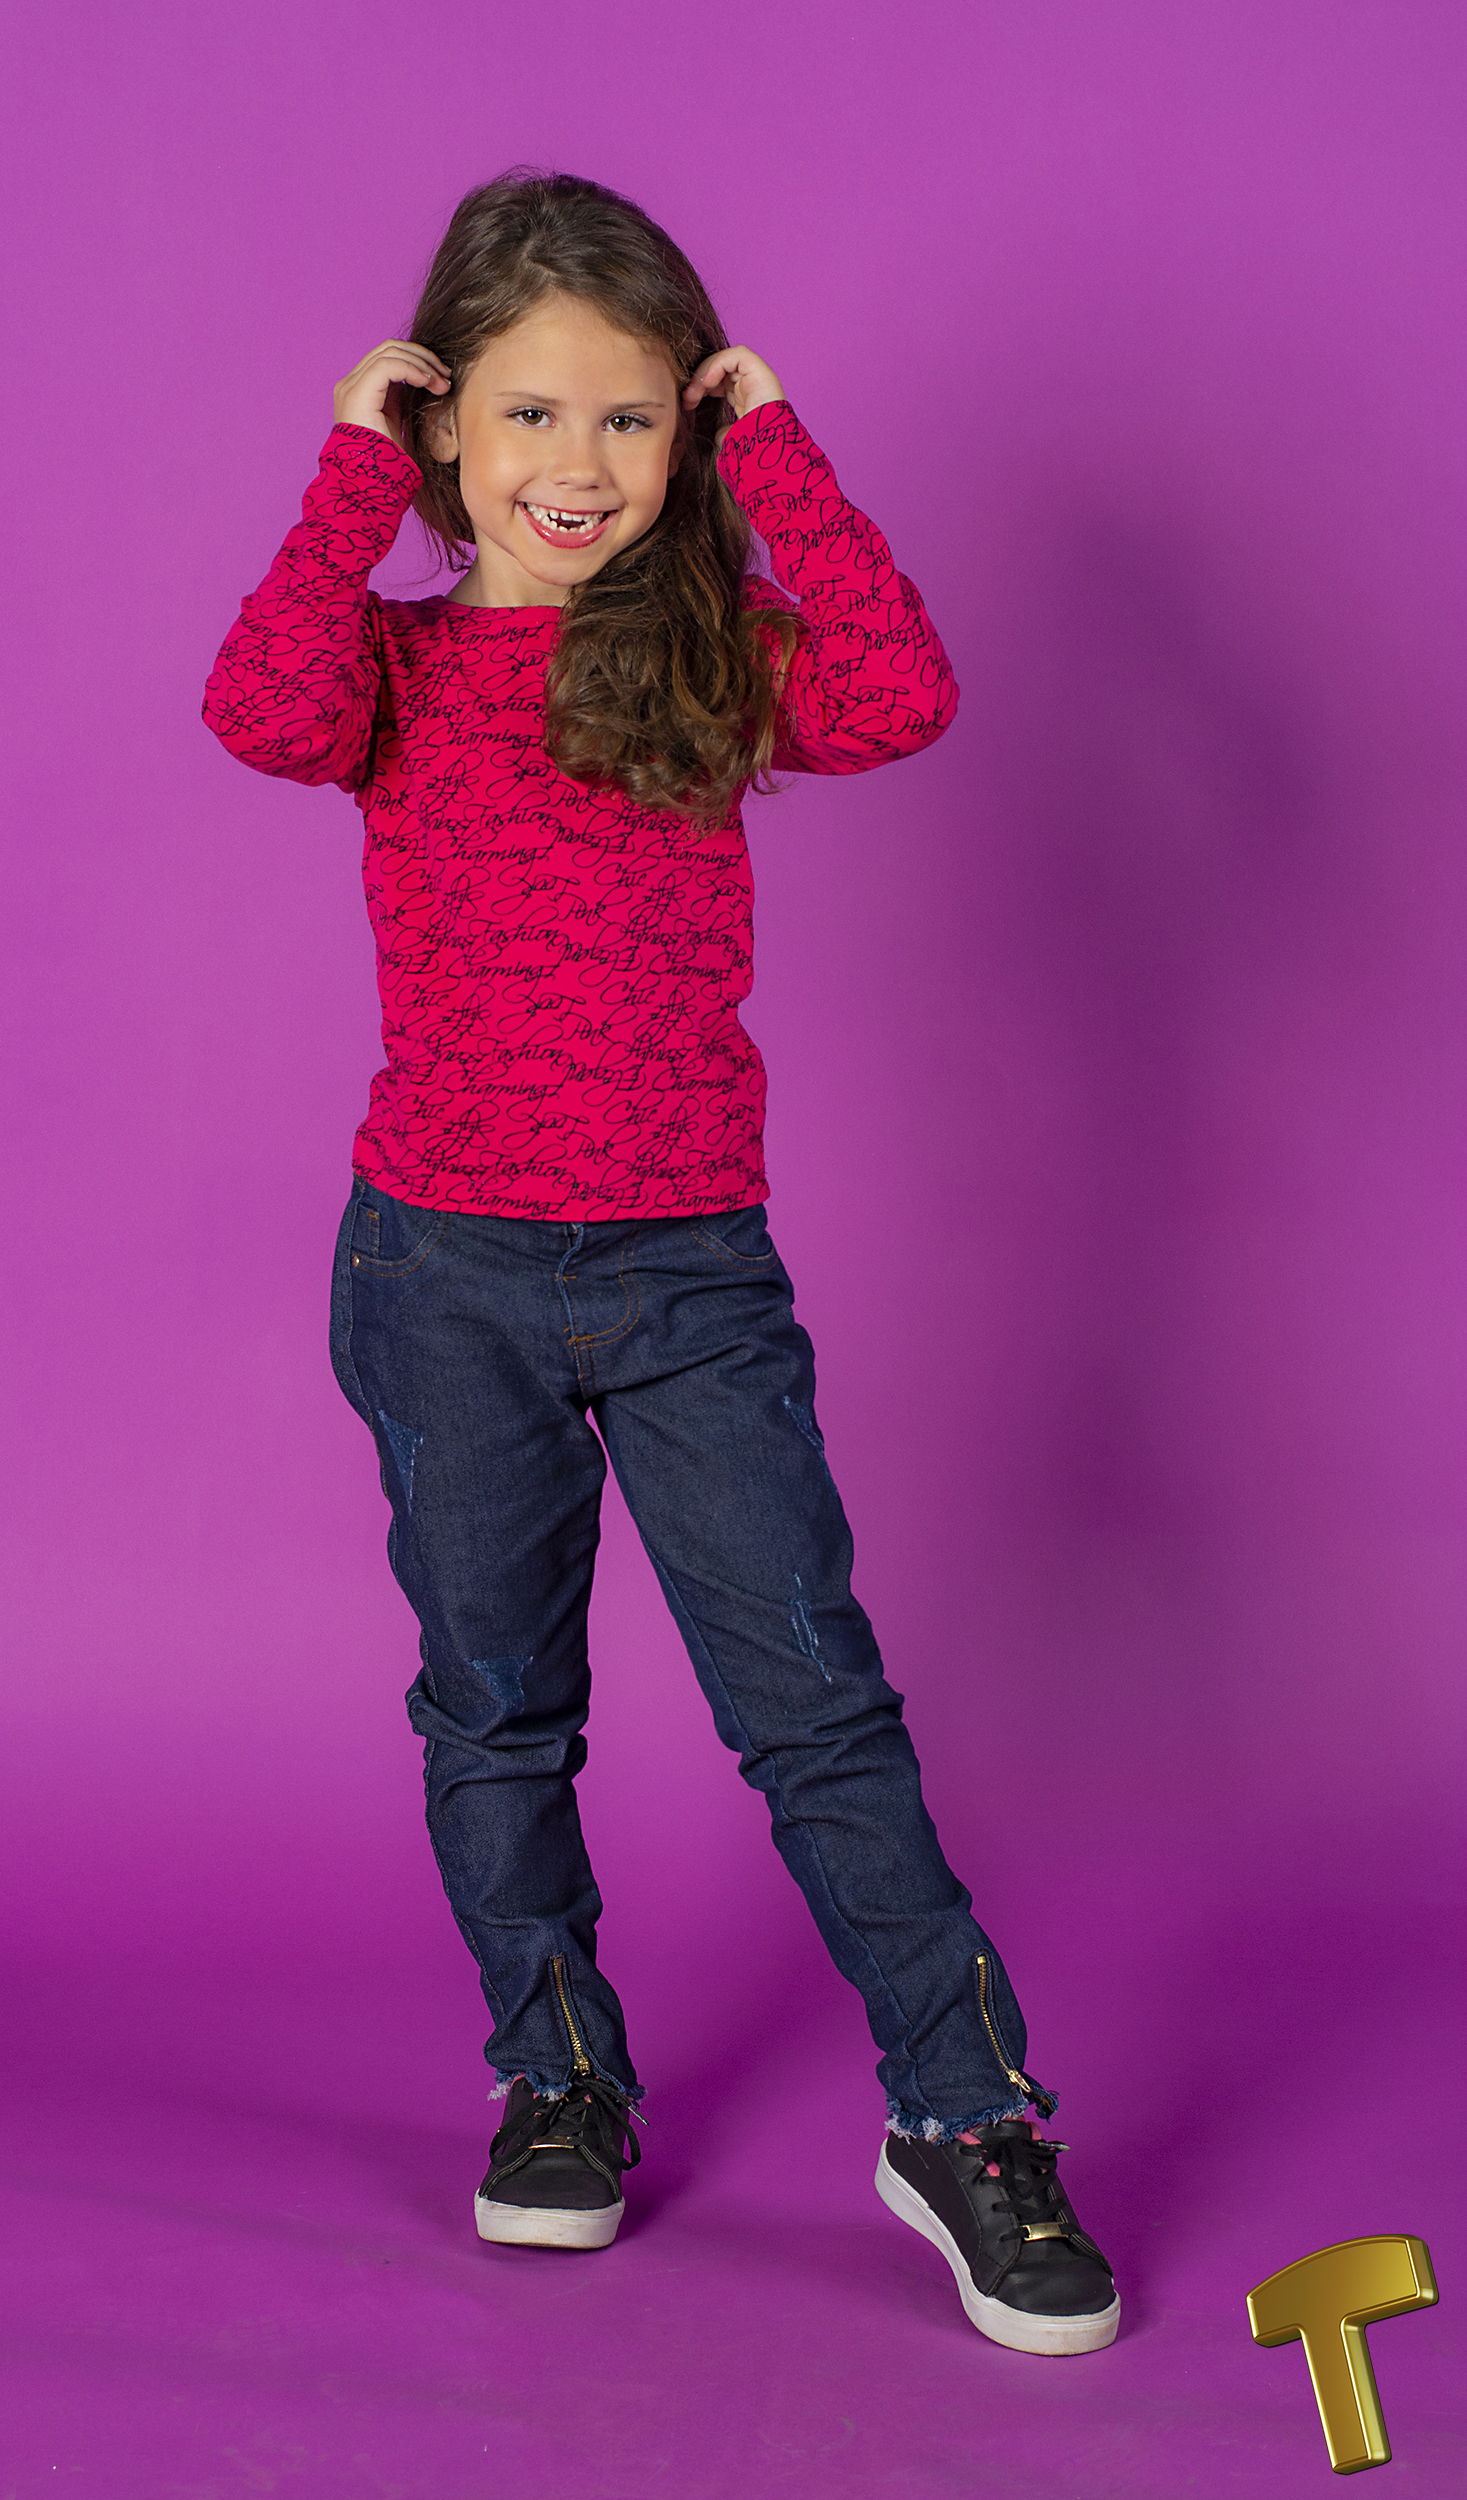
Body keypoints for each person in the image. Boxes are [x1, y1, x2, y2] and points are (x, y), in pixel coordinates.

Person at [203, 169, 1118, 2356]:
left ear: (683, 433)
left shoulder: (706, 659)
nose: (577, 464)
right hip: (441, 1275)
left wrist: (776, 443)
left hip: (693, 1276)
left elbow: (904, 689)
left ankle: (965, 2117)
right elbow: (255, 708)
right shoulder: (392, 668)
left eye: (629, 418)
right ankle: (557, 2078)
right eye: (526, 414)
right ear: (443, 422)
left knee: (816, 1704)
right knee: (498, 1706)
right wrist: (346, 477)